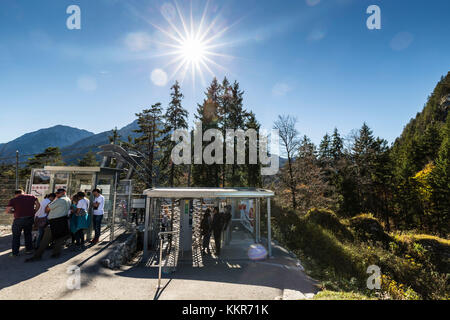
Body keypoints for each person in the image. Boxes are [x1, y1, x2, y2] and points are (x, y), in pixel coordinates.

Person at [25, 188, 71, 262]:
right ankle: (56, 253)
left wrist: (54, 201)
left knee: (45, 240)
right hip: (63, 220)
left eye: (58, 193)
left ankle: (37, 256)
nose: (57, 194)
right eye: (56, 193)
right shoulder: (68, 199)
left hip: (54, 221)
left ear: (63, 193)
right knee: (59, 238)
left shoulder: (59, 200)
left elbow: (46, 209)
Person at [5, 190, 40, 257]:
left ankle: (15, 253)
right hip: (30, 218)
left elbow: (7, 210)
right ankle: (29, 250)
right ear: (23, 193)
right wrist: (34, 212)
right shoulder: (32, 197)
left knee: (16, 236)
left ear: (16, 194)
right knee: (28, 234)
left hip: (18, 220)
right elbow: (38, 205)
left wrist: (13, 212)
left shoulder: (14, 199)